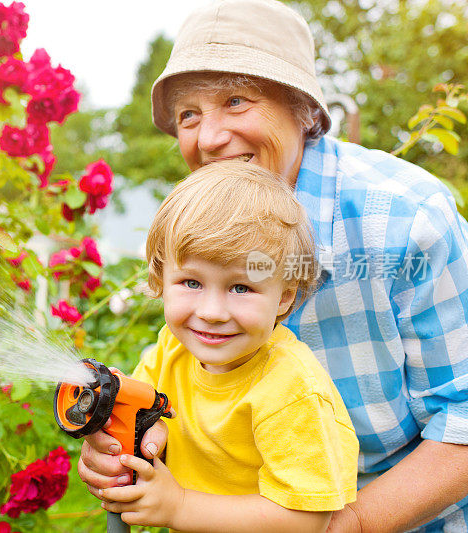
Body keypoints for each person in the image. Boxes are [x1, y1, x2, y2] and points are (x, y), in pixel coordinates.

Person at [78, 0, 468, 531]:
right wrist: (135, 445)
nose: (209, 138)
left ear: (304, 111)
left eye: (236, 101)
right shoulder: (204, 224)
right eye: (188, 115)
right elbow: (190, 392)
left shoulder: (406, 220)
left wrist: (347, 525)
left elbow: (463, 419)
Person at [98, 160, 358, 532]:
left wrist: (179, 507)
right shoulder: (172, 348)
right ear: (160, 277)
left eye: (241, 288)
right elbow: (146, 416)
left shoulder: (290, 388)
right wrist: (134, 438)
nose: (213, 312)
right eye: (191, 282)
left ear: (284, 297)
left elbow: (307, 520)